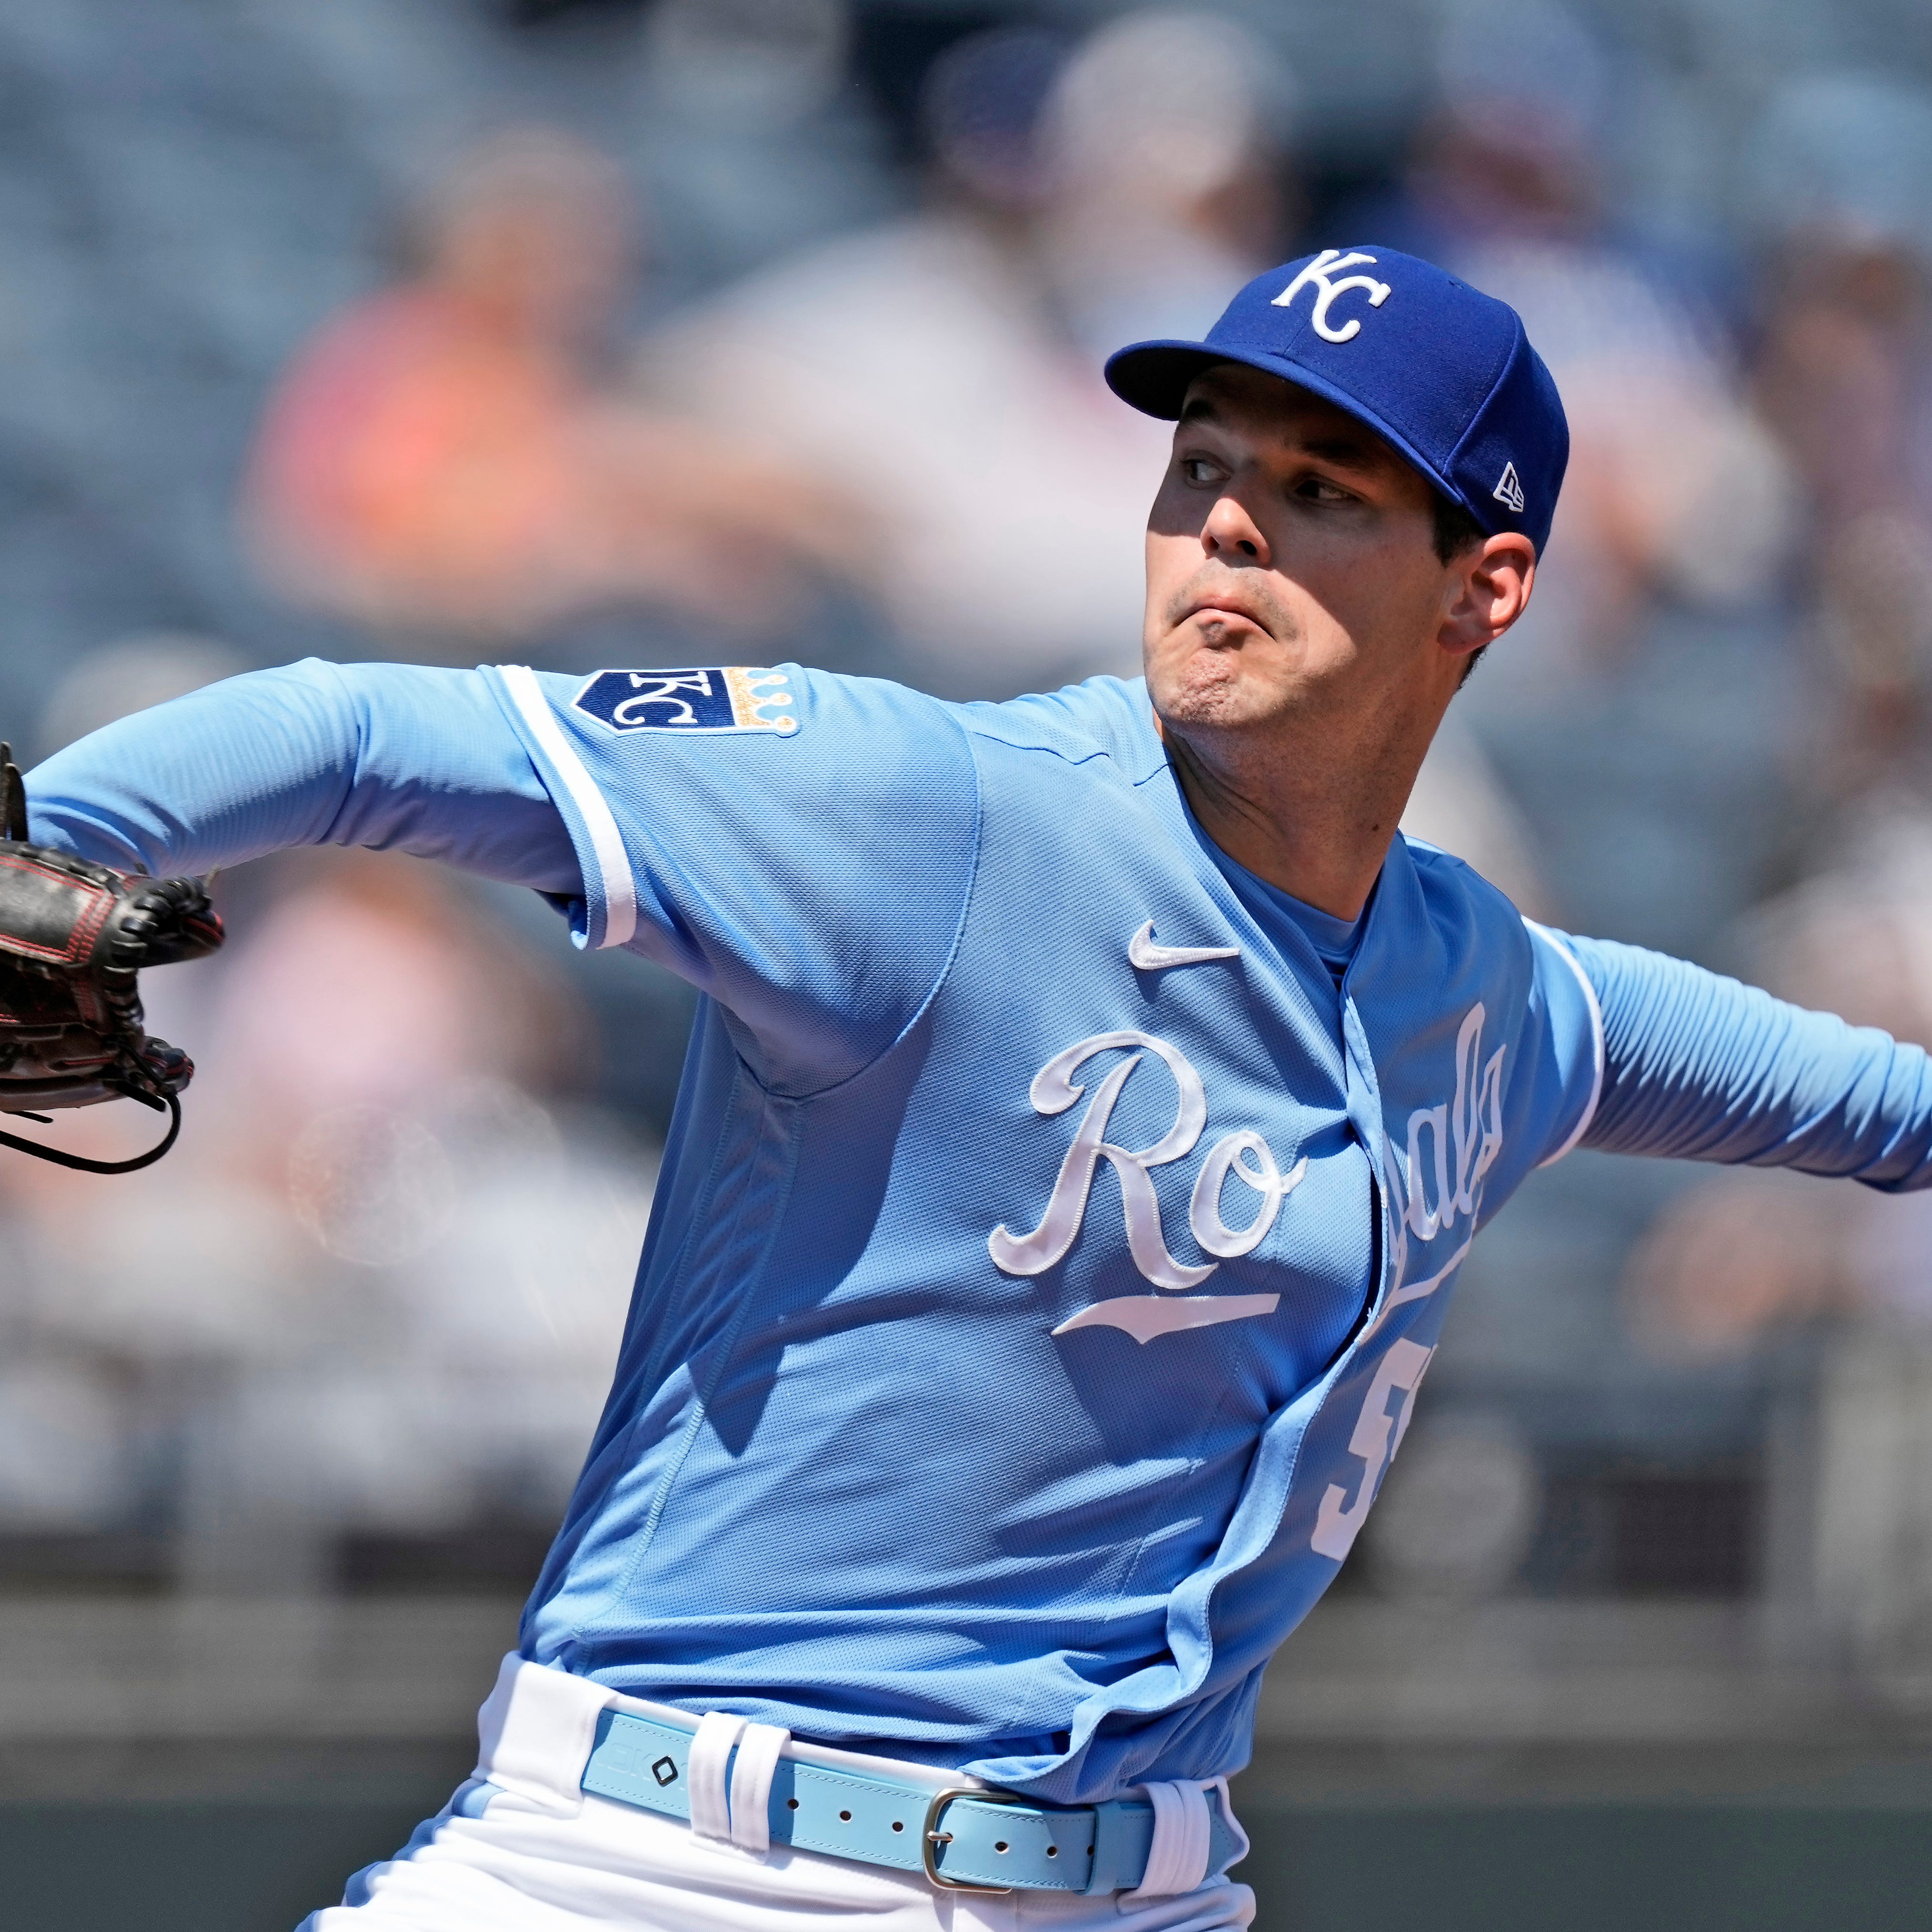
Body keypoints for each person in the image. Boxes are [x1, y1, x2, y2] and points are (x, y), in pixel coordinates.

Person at [22, 248, 1932, 1930]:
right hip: (672, 1867)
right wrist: (70, 831)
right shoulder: (928, 812)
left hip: (1144, 1891)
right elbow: (365, 727)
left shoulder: (1497, 998)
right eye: (1203, 468)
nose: (1230, 527)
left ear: (1486, 585)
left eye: (1324, 489)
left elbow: (1876, 1103)